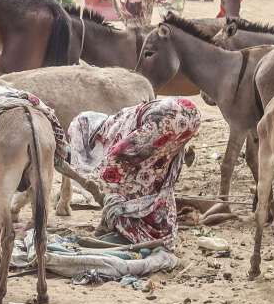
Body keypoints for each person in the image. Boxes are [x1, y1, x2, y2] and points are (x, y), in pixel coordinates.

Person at [67, 98, 202, 249]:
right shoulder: (120, 118)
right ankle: (159, 226)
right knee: (156, 175)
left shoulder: (111, 132)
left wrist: (98, 183)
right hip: (191, 112)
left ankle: (132, 228)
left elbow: (116, 158)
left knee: (126, 179)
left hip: (165, 121)